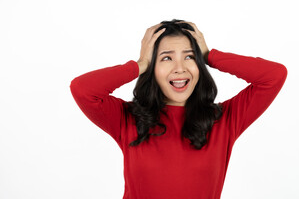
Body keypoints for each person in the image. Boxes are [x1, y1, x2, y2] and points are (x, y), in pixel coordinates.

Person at [70, 19, 287, 199]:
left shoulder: (223, 120)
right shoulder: (129, 118)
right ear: (152, 66)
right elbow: (83, 89)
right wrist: (140, 64)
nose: (180, 68)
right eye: (166, 58)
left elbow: (273, 76)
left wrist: (210, 56)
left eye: (190, 56)